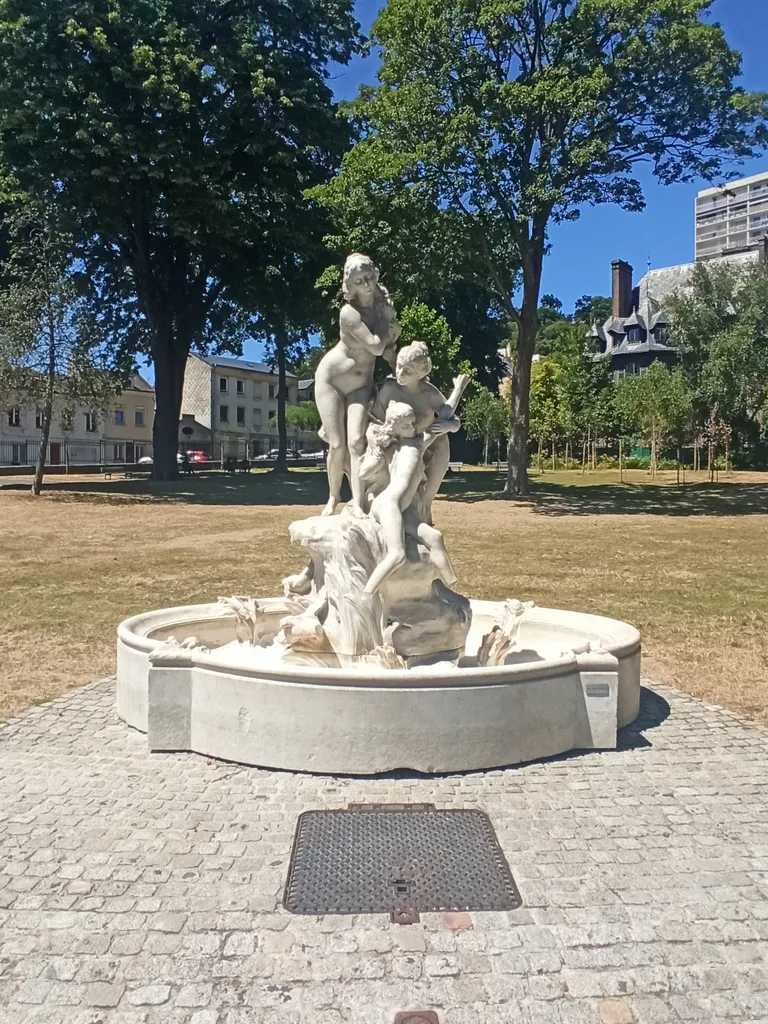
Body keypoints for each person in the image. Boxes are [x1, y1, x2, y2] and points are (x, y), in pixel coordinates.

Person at [314, 253, 400, 517]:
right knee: (337, 444)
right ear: (350, 285)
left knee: (356, 443)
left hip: (361, 384)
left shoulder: (383, 306)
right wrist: (386, 320)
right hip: (332, 380)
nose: (366, 283)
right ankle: (332, 497)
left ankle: (359, 501)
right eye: (359, 280)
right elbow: (375, 346)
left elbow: (387, 352)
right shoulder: (348, 314)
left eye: (369, 276)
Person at [361, 400, 456, 596]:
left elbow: (444, 415)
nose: (412, 428)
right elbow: (363, 474)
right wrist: (377, 451)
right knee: (397, 555)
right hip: (388, 504)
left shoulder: (418, 442)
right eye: (406, 426)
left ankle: (449, 588)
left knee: (435, 537)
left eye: (413, 422)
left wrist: (458, 389)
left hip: (402, 509)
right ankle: (366, 594)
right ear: (393, 428)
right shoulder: (390, 448)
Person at [371, 342, 470, 523]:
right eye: (399, 367)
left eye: (407, 371)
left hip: (429, 446)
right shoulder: (390, 390)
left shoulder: (429, 394)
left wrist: (448, 427)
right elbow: (375, 422)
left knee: (425, 497)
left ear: (420, 373)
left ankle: (424, 514)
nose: (400, 373)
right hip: (397, 448)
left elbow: (453, 419)